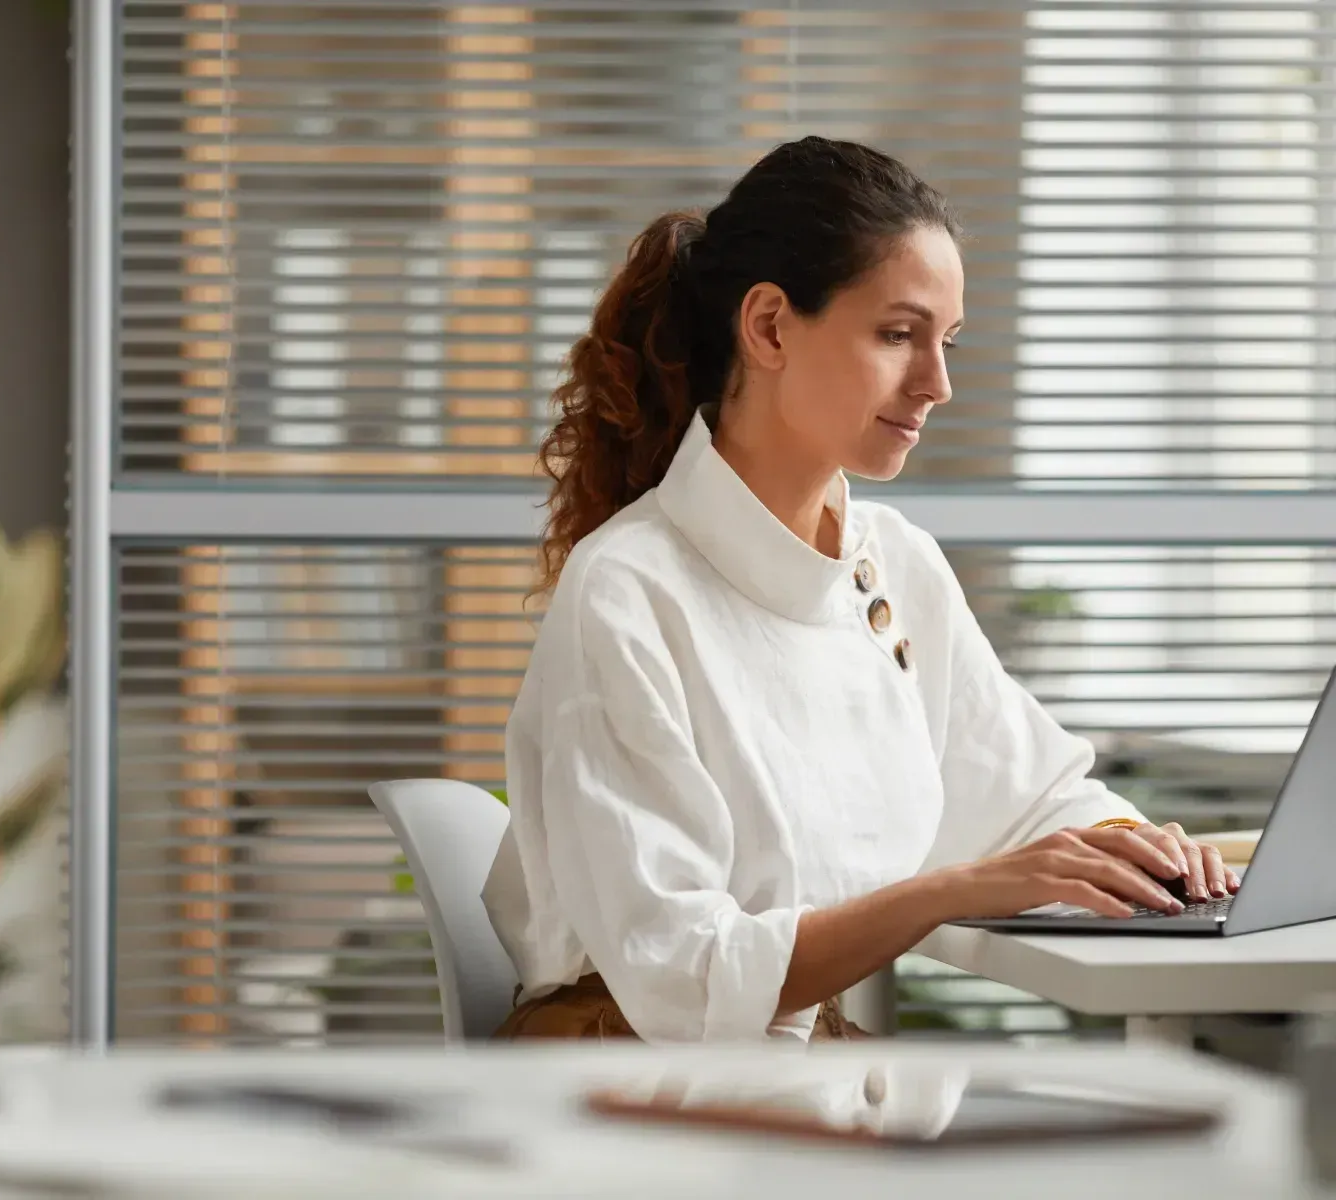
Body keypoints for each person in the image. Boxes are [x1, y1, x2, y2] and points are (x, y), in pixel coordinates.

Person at [480, 136, 1239, 1044]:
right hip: (627, 1072)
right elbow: (682, 977)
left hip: (792, 1068)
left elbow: (1029, 794)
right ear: (769, 327)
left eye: (947, 341)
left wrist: (1138, 848)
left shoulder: (897, 563)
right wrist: (947, 893)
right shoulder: (628, 590)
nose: (939, 383)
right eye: (898, 335)